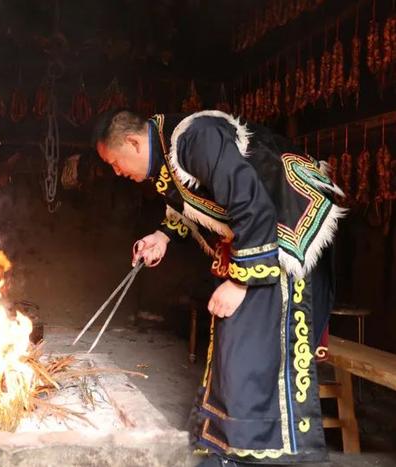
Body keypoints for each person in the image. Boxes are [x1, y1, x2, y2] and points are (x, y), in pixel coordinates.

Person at [92, 109, 345, 466]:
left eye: (116, 163)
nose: (117, 172)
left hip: (286, 237)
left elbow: (251, 203)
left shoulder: (195, 138)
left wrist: (241, 280)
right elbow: (195, 203)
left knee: (253, 354)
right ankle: (231, 451)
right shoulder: (168, 157)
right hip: (262, 241)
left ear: (133, 142)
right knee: (234, 352)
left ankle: (265, 457)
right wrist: (161, 237)